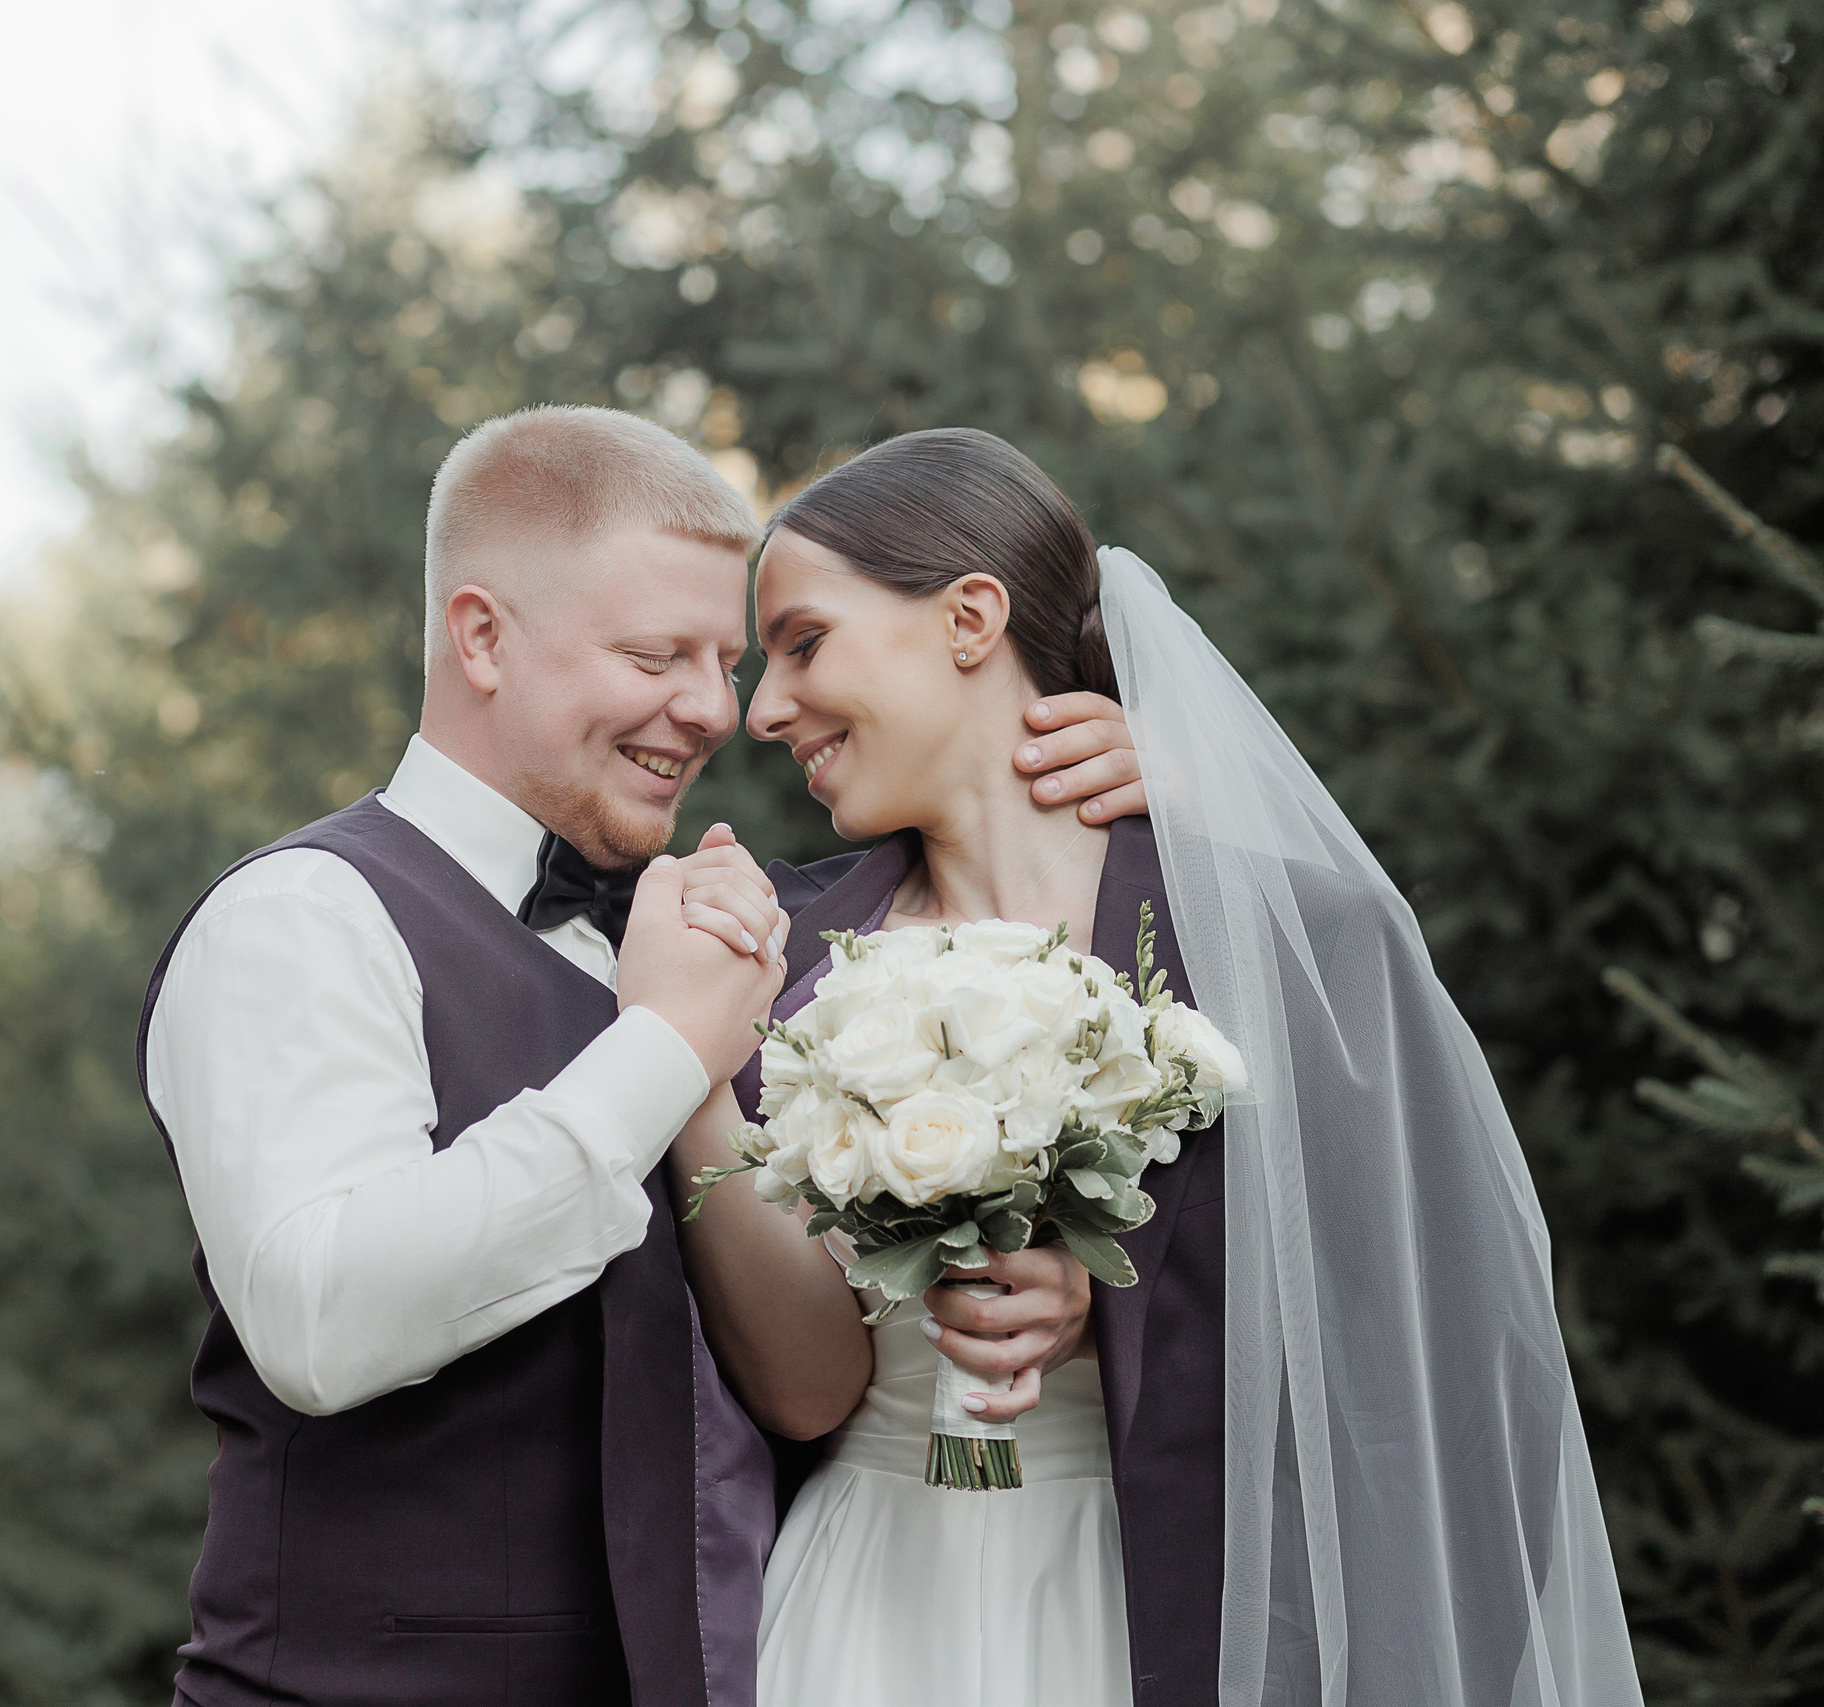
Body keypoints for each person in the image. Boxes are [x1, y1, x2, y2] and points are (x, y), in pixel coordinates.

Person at [136, 406, 1144, 1707]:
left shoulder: (720, 934)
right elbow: (322, 1317)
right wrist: (662, 1047)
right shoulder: (304, 917)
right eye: (659, 653)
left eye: (724, 660)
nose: (716, 709)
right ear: (482, 635)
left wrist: (1152, 784)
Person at [673, 427, 1643, 1707]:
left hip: (1158, 1615)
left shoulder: (1285, 945)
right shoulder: (769, 965)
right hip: (855, 1606)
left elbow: (1450, 1362)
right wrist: (686, 1054)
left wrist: (1104, 1303)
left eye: (804, 644)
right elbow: (794, 1390)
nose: (760, 711)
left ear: (969, 618)